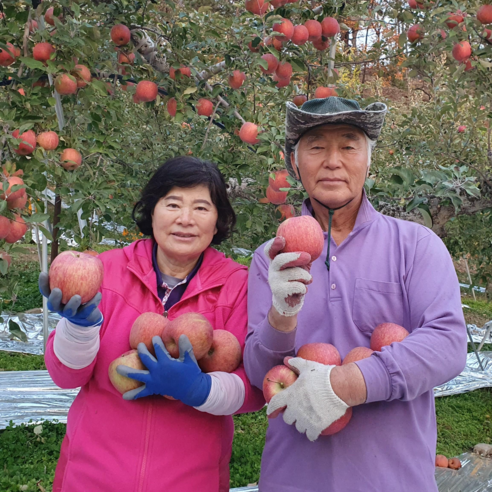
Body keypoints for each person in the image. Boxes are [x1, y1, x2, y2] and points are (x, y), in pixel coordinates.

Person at [244, 97, 467, 492]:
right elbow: (261, 375)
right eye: (316, 147)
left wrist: (344, 384)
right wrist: (281, 314)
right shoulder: (270, 258)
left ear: (369, 160)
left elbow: (447, 344)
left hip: (395, 481)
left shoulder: (415, 246)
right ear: (295, 163)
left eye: (348, 145)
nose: (333, 160)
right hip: (292, 479)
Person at [40, 156, 264, 492]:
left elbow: (253, 389)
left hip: (190, 481)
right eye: (173, 203)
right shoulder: (106, 272)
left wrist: (201, 390)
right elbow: (65, 376)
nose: (185, 219)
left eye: (202, 208)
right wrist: (78, 329)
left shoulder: (238, 286)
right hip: (91, 478)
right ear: (152, 210)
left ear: (219, 221)